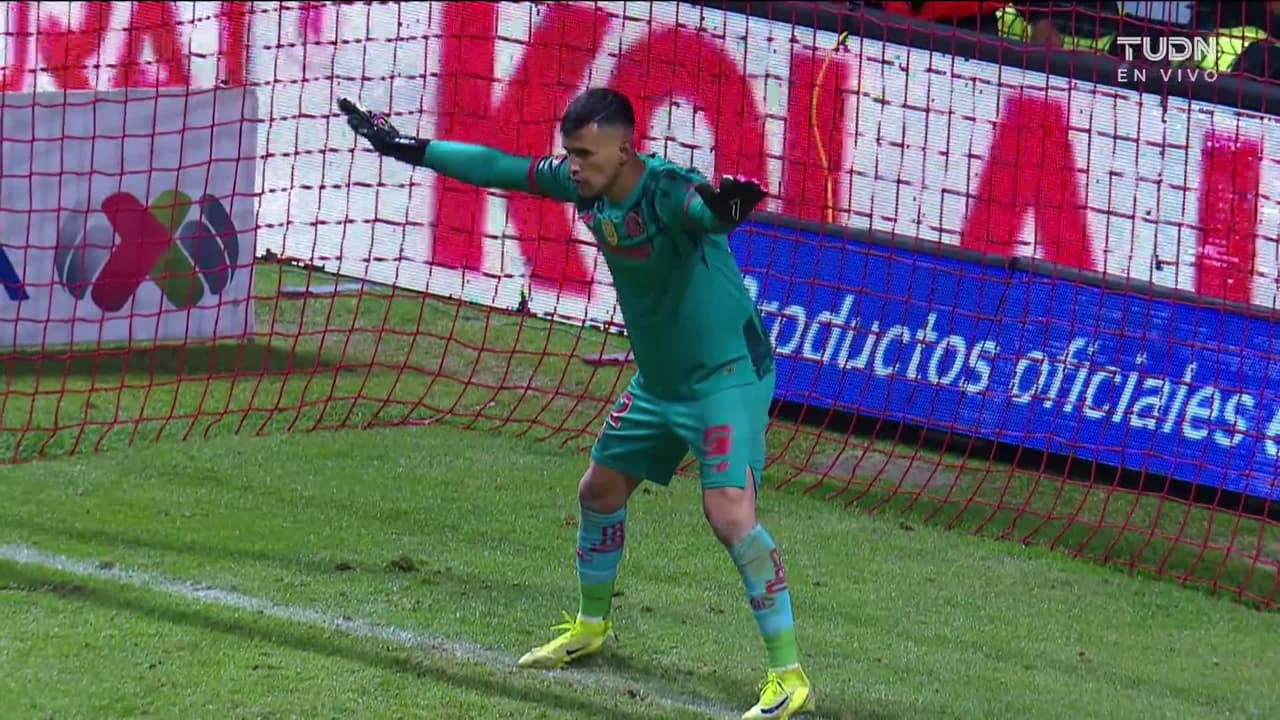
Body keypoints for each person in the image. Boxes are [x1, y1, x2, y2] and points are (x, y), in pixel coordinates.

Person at [338, 88, 815, 719]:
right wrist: (407, 147)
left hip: (725, 378)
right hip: (660, 382)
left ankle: (788, 676)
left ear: (625, 149)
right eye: (570, 154)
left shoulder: (667, 189)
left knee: (728, 513)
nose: (574, 166)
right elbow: (498, 166)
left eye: (586, 154)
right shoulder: (583, 185)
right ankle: (591, 628)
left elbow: (706, 213)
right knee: (599, 490)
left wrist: (727, 207)